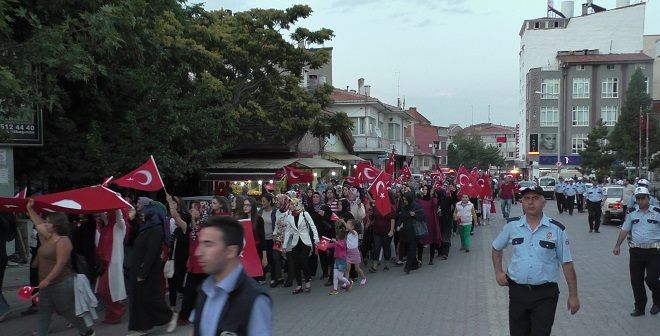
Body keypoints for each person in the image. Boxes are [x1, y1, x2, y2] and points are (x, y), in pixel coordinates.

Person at [492, 186, 580, 336]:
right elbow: (496, 248)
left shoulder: (557, 229)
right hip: (518, 292)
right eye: (526, 198)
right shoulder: (512, 226)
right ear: (521, 202)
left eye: (535, 198)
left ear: (544, 202)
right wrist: (499, 272)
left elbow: (566, 264)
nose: (530, 202)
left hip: (545, 294)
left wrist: (573, 295)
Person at [190, 216, 272, 336]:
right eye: (200, 243)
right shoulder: (204, 289)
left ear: (231, 251)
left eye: (208, 244)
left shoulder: (254, 299)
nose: (198, 252)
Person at [25, 200, 95, 336]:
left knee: (67, 311)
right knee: (44, 310)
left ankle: (86, 331)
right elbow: (38, 223)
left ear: (56, 225)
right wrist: (29, 209)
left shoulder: (63, 240)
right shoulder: (47, 237)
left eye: (49, 222)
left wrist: (48, 280)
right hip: (47, 283)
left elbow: (61, 263)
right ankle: (41, 333)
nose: (45, 223)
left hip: (61, 283)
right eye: (46, 221)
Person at [127, 197, 178, 336]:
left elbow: (152, 254)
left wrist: (142, 274)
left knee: (151, 298)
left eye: (147, 209)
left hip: (147, 270)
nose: (144, 211)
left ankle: (171, 316)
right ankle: (141, 327)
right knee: (138, 299)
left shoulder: (156, 230)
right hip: (139, 268)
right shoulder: (145, 228)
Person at [612, 186, 660, 317]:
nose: (640, 201)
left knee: (652, 279)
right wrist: (617, 245)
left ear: (648, 198)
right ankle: (639, 307)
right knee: (636, 281)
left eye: (643, 198)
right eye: (638, 198)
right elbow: (625, 229)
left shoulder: (657, 212)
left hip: (654, 252)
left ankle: (657, 301)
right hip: (636, 251)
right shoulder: (632, 213)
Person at [95, 209, 128, 324]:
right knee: (106, 290)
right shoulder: (107, 227)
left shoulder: (120, 227)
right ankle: (112, 314)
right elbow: (102, 214)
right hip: (106, 263)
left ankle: (118, 310)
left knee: (103, 290)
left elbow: (119, 218)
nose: (107, 215)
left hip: (113, 263)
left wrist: (117, 205)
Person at [281, 198, 319, 294]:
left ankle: (307, 281)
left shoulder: (305, 214)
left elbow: (312, 226)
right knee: (296, 264)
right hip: (295, 242)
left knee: (304, 261)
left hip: (305, 241)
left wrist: (316, 239)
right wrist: (284, 245)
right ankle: (299, 285)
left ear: (297, 204)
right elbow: (288, 232)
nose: (290, 206)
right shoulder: (290, 217)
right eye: (289, 204)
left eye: (292, 204)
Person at [165, 195, 191, 315]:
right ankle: (172, 307)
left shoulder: (186, 228)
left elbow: (175, 216)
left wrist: (170, 202)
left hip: (182, 259)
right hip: (173, 258)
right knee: (171, 282)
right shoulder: (176, 231)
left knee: (180, 284)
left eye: (176, 204)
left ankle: (186, 308)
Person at [397, 191, 425, 274]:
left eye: (406, 200)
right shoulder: (404, 207)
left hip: (414, 232)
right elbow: (400, 218)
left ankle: (407, 267)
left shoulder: (416, 206)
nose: (404, 201)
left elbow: (423, 217)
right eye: (403, 200)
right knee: (408, 248)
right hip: (405, 232)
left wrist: (415, 215)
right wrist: (398, 225)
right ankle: (415, 264)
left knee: (411, 250)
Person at [368, 193, 395, 273]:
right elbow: (372, 218)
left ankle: (386, 263)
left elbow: (392, 219)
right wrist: (371, 214)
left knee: (386, 247)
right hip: (377, 231)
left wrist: (391, 230)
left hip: (386, 231)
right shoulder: (376, 206)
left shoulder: (390, 208)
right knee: (376, 247)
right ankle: (375, 266)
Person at [326, 220, 352, 295]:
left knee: (340, 277)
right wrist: (322, 245)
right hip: (337, 260)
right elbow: (331, 245)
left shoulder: (343, 242)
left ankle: (348, 283)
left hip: (342, 261)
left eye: (337, 235)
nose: (336, 236)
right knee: (335, 276)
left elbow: (341, 246)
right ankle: (335, 289)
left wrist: (335, 242)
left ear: (339, 236)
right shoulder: (337, 243)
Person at [259, 193, 279, 287]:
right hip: (262, 239)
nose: (262, 203)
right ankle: (261, 277)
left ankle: (274, 277)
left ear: (269, 202)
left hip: (272, 239)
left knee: (272, 259)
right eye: (261, 201)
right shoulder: (260, 212)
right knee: (262, 258)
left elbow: (278, 225)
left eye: (264, 201)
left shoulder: (275, 211)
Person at [417, 184, 441, 265]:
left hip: (431, 223)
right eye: (423, 189)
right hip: (422, 223)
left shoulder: (433, 200)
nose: (424, 190)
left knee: (431, 241)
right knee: (421, 241)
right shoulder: (419, 200)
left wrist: (432, 194)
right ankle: (419, 260)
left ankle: (431, 258)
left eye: (426, 189)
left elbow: (436, 203)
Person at [436, 182, 456, 260]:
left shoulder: (447, 199)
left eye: (437, 194)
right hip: (438, 222)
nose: (436, 195)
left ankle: (445, 253)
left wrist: (454, 191)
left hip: (446, 221)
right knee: (439, 237)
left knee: (446, 238)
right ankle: (440, 252)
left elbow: (454, 199)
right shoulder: (436, 201)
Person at [345, 219, 367, 286]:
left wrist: (343, 222)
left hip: (355, 253)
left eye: (348, 224)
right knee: (347, 269)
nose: (347, 225)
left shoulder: (354, 233)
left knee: (357, 268)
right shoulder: (348, 234)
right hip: (349, 253)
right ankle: (346, 282)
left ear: (352, 227)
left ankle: (364, 278)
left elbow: (349, 229)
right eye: (346, 223)